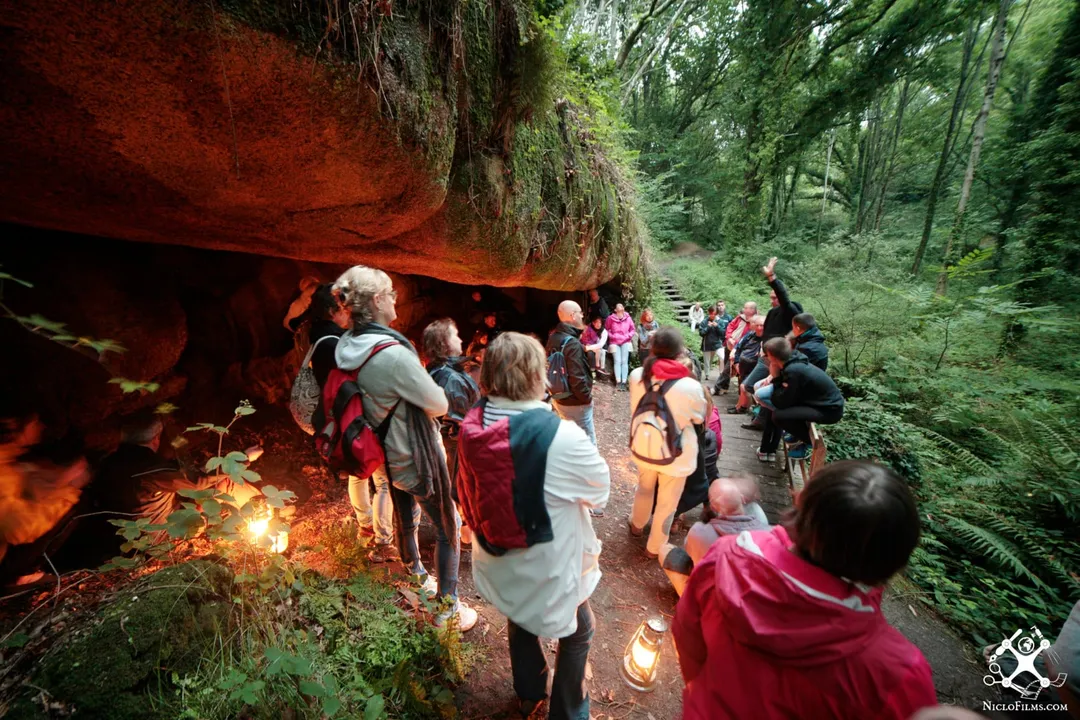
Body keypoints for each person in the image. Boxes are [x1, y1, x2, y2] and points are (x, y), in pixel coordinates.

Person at [673, 460, 937, 719]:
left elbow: (687, 634)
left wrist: (703, 692)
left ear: (803, 506)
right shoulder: (896, 675)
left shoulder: (726, 555)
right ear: (894, 558)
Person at [456, 332, 610, 720]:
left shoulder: (472, 424)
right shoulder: (561, 436)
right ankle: (569, 712)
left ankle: (529, 690)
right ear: (536, 374)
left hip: (497, 558)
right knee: (580, 630)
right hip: (547, 565)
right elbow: (600, 493)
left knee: (519, 614)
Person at [333, 265, 476, 630]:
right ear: (377, 301)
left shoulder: (348, 344)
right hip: (413, 453)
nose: (396, 299)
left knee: (405, 514)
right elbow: (439, 403)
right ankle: (447, 609)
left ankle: (415, 572)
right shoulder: (393, 354)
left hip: (383, 449)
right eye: (391, 293)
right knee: (448, 525)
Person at [308, 284, 393, 549]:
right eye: (346, 308)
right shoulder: (337, 343)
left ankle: (365, 527)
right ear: (333, 311)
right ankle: (383, 540)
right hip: (358, 415)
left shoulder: (317, 337)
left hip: (338, 417)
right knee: (382, 478)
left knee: (357, 472)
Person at [628, 328, 707, 559]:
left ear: (651, 349)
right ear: (679, 352)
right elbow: (699, 418)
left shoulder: (636, 375)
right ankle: (654, 548)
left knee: (644, 488)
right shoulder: (690, 385)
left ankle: (637, 524)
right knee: (667, 502)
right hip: (676, 454)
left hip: (644, 446)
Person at [658, 477, 770, 595]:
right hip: (754, 595)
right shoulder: (766, 528)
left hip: (715, 596)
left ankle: (690, 595)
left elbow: (689, 550)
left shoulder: (700, 531)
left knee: (665, 550)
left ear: (712, 507)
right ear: (742, 499)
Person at [756, 337, 845, 461]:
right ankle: (797, 433)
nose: (766, 358)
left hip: (829, 409)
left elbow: (781, 402)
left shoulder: (794, 371)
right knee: (778, 410)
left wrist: (775, 377)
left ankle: (808, 444)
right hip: (813, 401)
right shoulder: (793, 360)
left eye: (766, 355)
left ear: (772, 356)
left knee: (778, 416)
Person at [739, 257, 803, 409]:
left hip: (779, 357)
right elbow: (766, 332)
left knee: (767, 387)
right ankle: (760, 414)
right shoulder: (772, 312)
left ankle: (769, 415)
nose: (772, 301)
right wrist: (762, 348)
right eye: (771, 298)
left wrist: (771, 277)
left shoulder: (790, 310)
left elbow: (784, 299)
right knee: (750, 385)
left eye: (775, 298)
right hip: (766, 356)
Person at [546, 301, 597, 447]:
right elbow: (577, 378)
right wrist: (586, 399)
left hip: (559, 398)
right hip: (576, 402)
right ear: (573, 315)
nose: (582, 316)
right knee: (587, 446)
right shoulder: (572, 343)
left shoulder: (553, 337)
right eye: (580, 313)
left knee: (571, 442)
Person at [715, 301, 757, 395]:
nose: (744, 309)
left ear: (752, 310)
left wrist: (737, 344)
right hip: (729, 345)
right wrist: (729, 337)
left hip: (740, 349)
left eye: (746, 308)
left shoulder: (756, 321)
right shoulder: (740, 317)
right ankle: (724, 387)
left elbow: (748, 337)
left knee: (729, 369)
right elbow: (730, 326)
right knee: (727, 368)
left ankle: (718, 388)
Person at [728, 315, 765, 414]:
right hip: (743, 365)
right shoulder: (749, 335)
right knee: (742, 386)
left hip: (755, 367)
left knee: (744, 386)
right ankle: (739, 406)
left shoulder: (766, 339)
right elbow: (739, 347)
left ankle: (744, 408)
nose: (759, 328)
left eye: (762, 325)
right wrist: (736, 362)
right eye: (757, 325)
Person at [605, 303, 636, 390]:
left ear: (623, 309)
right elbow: (607, 329)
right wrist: (612, 336)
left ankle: (624, 382)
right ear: (615, 310)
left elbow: (632, 329)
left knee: (624, 361)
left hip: (625, 341)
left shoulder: (628, 318)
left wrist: (628, 336)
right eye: (618, 309)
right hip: (614, 342)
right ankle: (618, 381)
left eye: (622, 309)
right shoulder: (610, 318)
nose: (620, 310)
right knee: (617, 361)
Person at [697, 306, 725, 380]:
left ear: (717, 314)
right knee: (707, 361)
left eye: (714, 314)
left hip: (717, 344)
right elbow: (701, 333)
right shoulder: (704, 322)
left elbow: (723, 333)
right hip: (707, 344)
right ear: (709, 313)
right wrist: (708, 327)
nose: (712, 315)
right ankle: (707, 375)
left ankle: (721, 374)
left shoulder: (720, 321)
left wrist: (717, 326)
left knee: (722, 357)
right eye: (711, 313)